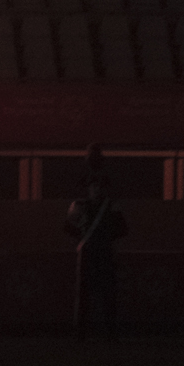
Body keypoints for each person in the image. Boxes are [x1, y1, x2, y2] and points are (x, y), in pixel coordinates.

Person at [65, 145, 128, 340]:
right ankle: (86, 332)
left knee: (103, 294)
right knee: (87, 294)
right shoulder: (90, 205)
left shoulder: (101, 205)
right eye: (94, 186)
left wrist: (98, 237)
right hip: (93, 251)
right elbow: (67, 227)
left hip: (97, 251)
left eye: (99, 186)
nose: (97, 188)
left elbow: (122, 229)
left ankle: (103, 332)